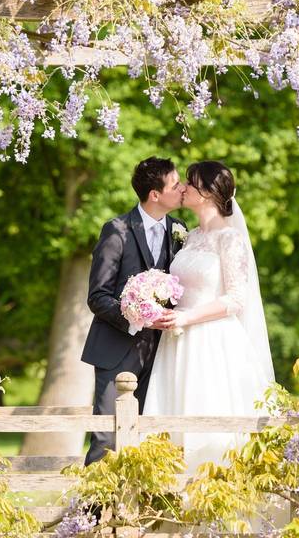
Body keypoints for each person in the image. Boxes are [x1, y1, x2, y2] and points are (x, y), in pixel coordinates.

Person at [143, 160, 275, 471]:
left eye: (189, 182)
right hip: (177, 342)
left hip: (212, 343)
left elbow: (236, 300)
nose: (183, 188)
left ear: (205, 193)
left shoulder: (230, 239)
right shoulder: (189, 236)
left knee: (208, 424)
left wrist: (187, 319)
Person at [81, 156, 186, 465]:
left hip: (165, 353)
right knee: (107, 442)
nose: (182, 188)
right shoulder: (117, 231)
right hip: (117, 349)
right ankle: (91, 514)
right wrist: (136, 317)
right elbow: (97, 297)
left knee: (154, 441)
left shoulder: (180, 229)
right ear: (155, 194)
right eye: (175, 184)